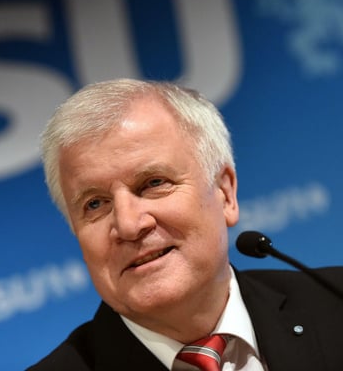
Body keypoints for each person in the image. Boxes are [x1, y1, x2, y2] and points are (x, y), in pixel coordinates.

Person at [28, 78, 343, 370]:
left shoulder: (335, 303)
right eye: (95, 204)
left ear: (225, 194)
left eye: (153, 183)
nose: (128, 225)